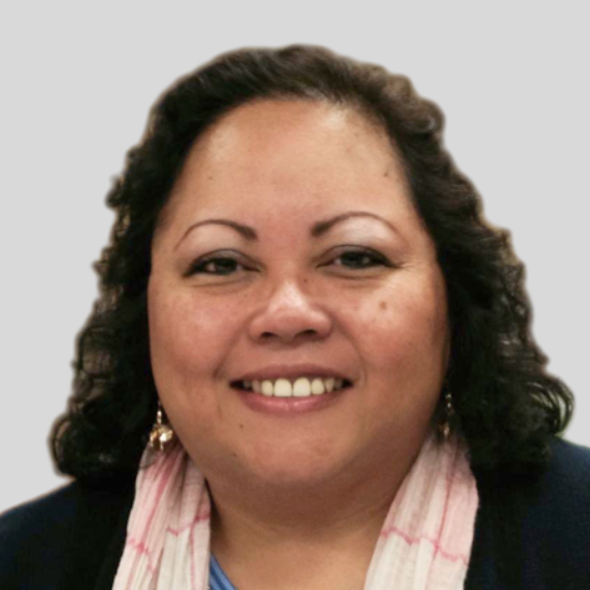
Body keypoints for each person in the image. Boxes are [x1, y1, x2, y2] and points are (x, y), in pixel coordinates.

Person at [1, 44, 589, 590]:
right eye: (221, 263)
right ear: (143, 310)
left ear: (454, 298)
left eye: (354, 257)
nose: (286, 314)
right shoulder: (22, 563)